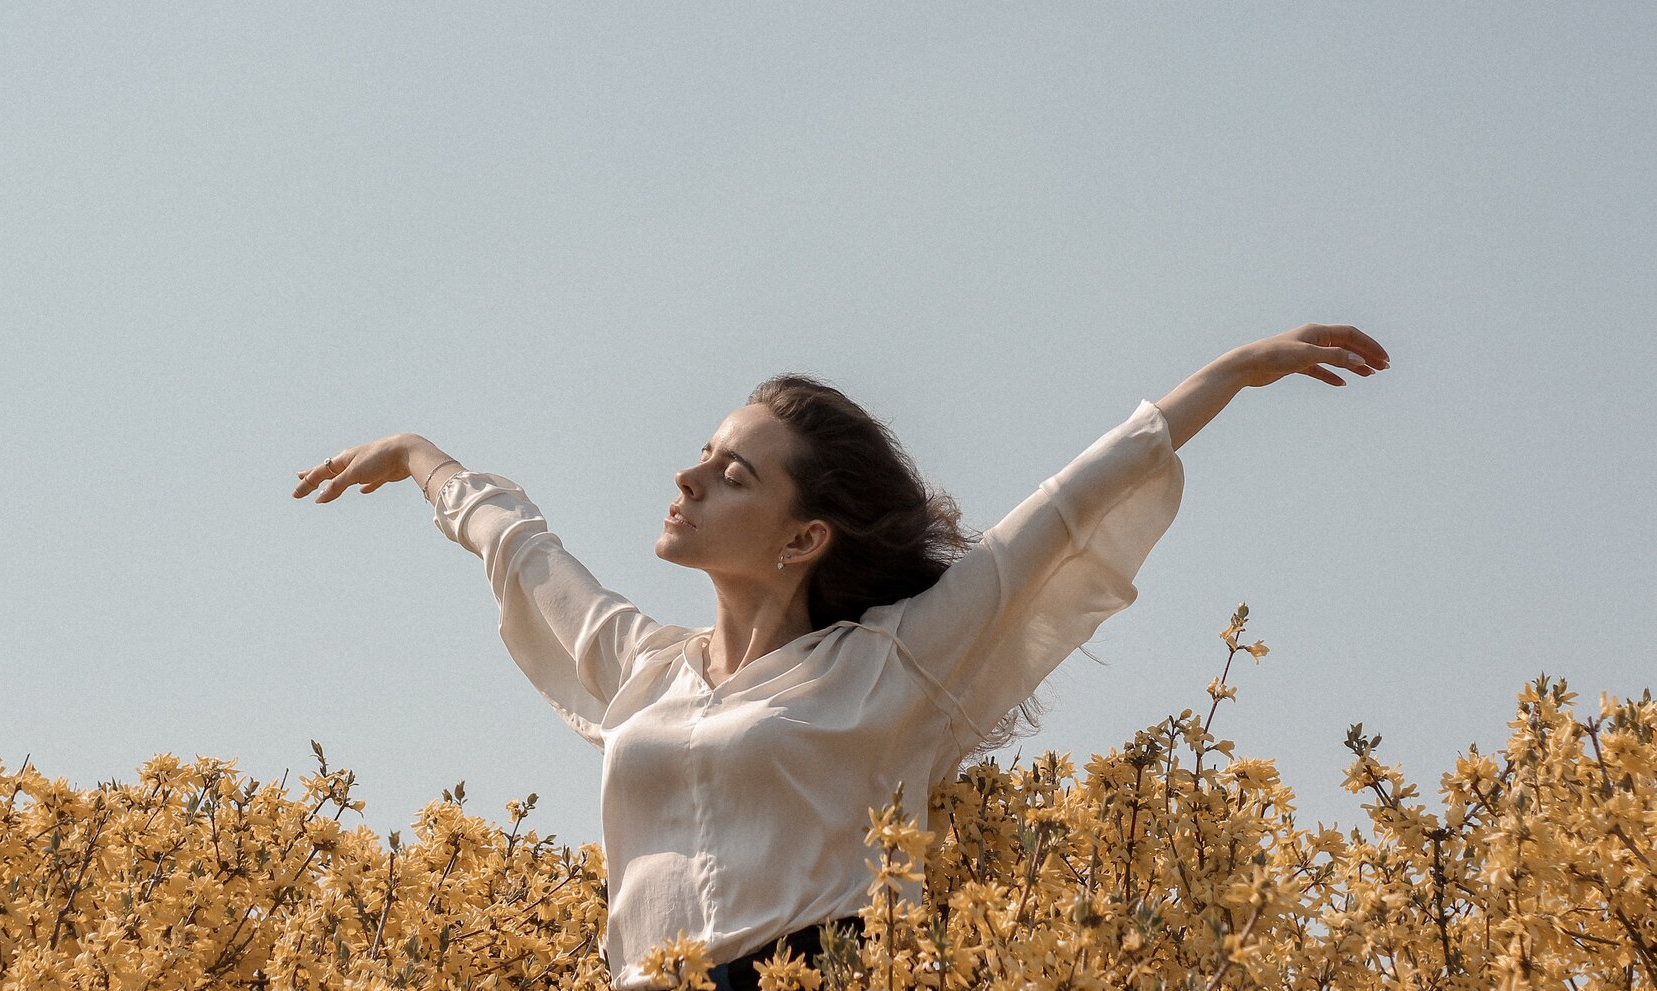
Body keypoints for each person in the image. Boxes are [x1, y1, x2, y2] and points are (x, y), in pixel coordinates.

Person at [294, 323, 1388, 990]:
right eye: (704, 455)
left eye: (733, 475)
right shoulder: (646, 668)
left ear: (803, 537)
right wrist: (419, 457)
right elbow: (525, 554)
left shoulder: (891, 663)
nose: (687, 479)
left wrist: (1234, 373)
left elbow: (1059, 514)